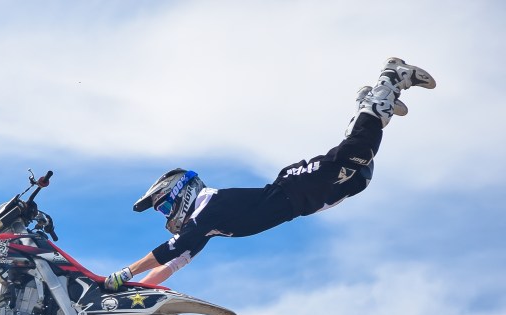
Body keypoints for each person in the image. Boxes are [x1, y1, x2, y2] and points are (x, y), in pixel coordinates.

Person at [104, 57, 436, 291]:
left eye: (164, 207)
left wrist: (124, 273)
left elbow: (171, 249)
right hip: (305, 202)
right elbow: (172, 265)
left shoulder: (207, 206)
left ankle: (388, 81)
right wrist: (127, 291)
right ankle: (368, 105)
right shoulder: (205, 228)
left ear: (181, 193)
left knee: (357, 154)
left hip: (295, 186)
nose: (166, 216)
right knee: (361, 176)